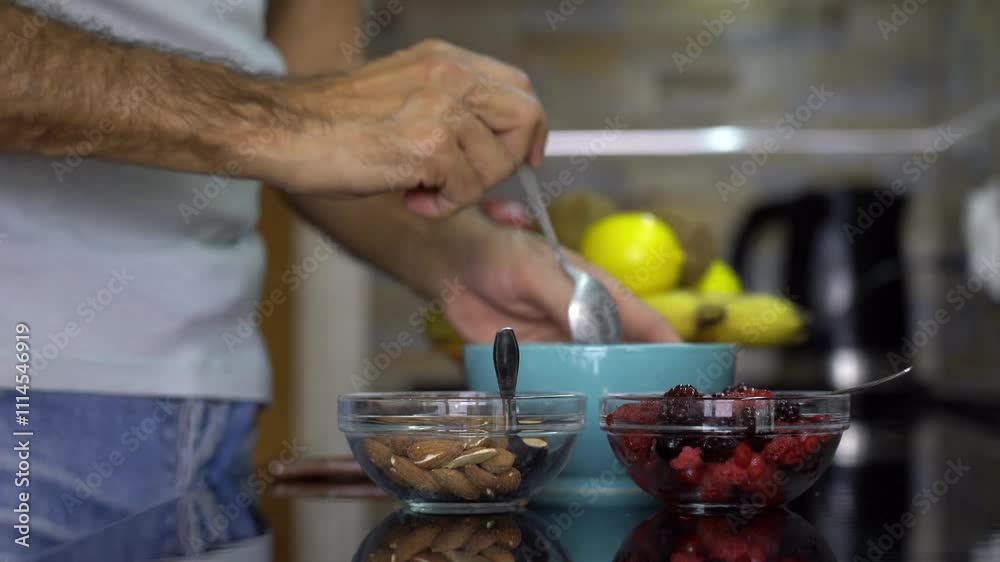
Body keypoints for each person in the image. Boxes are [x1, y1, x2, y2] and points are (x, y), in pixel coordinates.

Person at [0, 0, 677, 554]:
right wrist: (285, 116)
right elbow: (304, 114)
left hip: (215, 405)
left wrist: (464, 256)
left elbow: (314, 96)